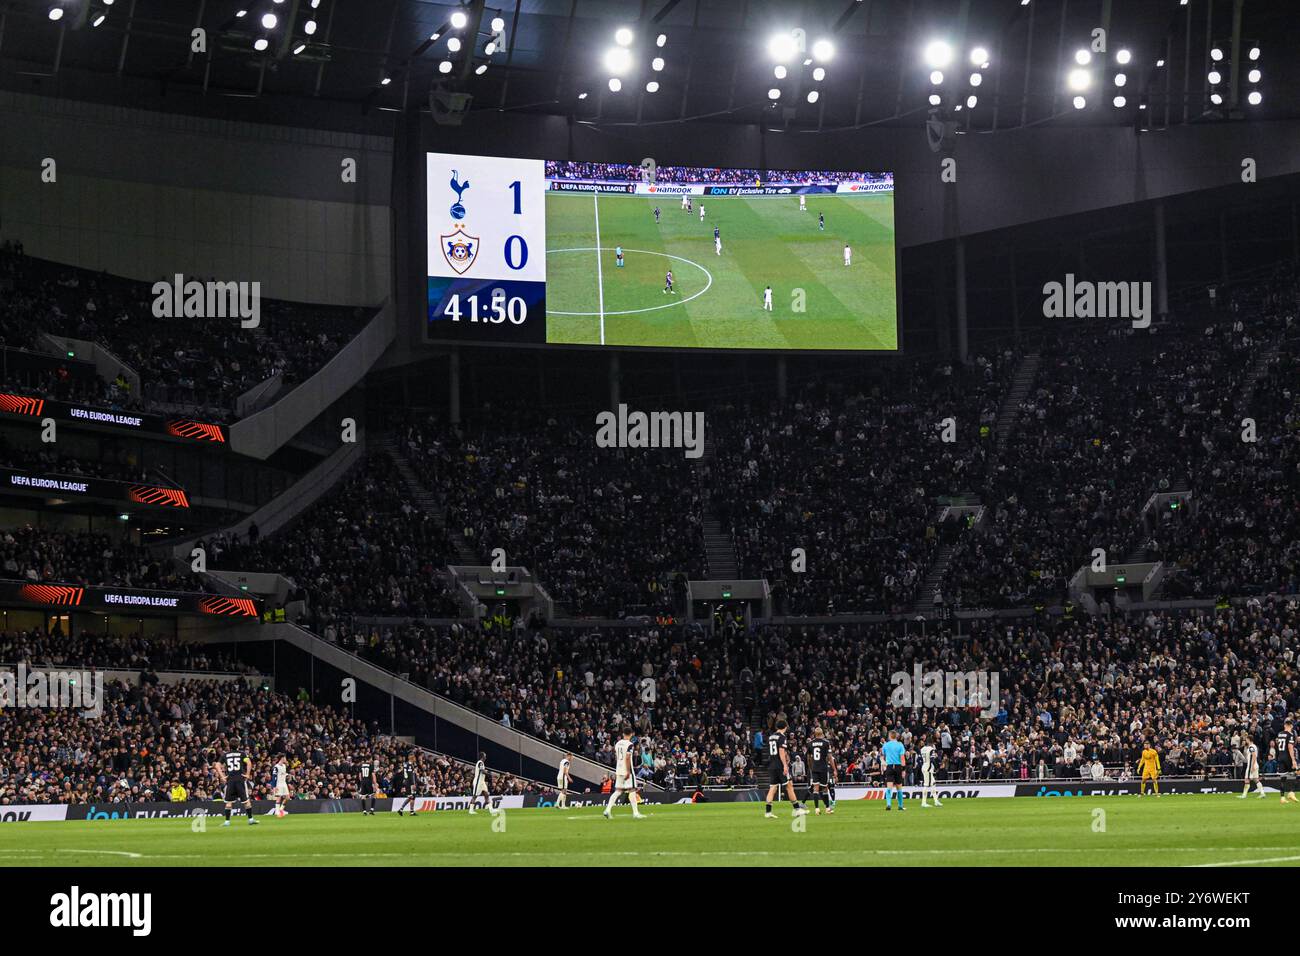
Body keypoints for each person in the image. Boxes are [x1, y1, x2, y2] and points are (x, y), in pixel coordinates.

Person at [763, 718, 807, 819]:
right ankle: (797, 809)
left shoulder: (771, 737)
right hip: (779, 765)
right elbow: (781, 752)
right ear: (785, 727)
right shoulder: (782, 737)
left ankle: (768, 812)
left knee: (773, 788)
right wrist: (785, 765)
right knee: (789, 786)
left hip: (772, 765)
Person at [604, 725, 645, 819]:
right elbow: (627, 758)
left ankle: (607, 810)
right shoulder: (630, 744)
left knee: (618, 791)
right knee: (632, 790)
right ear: (631, 734)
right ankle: (635, 813)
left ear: (623, 734)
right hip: (627, 770)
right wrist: (628, 771)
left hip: (618, 769)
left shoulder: (618, 743)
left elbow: (617, 756)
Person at [216, 742, 258, 827]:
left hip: (230, 780)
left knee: (228, 802)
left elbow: (217, 765)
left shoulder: (225, 755)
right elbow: (249, 763)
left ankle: (227, 822)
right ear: (238, 746)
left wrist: (222, 776)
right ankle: (250, 819)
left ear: (229, 746)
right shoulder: (242, 754)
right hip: (240, 780)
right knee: (246, 801)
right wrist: (247, 774)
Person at [807, 726, 835, 815]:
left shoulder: (810, 743)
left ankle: (817, 809)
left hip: (814, 768)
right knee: (825, 788)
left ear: (815, 734)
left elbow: (808, 758)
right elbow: (830, 757)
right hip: (823, 768)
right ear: (822, 733)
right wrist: (834, 769)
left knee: (815, 788)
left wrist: (811, 767)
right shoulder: (826, 742)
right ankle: (827, 808)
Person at [882, 731, 906, 811]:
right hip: (898, 766)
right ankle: (900, 806)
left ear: (890, 736)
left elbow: (883, 757)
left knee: (889, 787)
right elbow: (902, 758)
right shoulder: (900, 745)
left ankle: (888, 804)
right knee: (899, 787)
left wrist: (884, 763)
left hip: (889, 766)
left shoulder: (886, 745)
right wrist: (903, 769)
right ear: (896, 736)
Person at [1275, 721, 1297, 805]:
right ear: (1290, 725)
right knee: (1298, 773)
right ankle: (1291, 792)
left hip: (1280, 757)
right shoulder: (1290, 734)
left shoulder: (1280, 734)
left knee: (1283, 778)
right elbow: (1290, 747)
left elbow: (1278, 744)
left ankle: (1282, 797)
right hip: (1287, 758)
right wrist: (1293, 760)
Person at [919, 734, 941, 808]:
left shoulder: (922, 749)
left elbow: (920, 759)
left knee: (933, 783)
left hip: (924, 766)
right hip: (928, 767)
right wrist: (937, 766)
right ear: (932, 743)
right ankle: (923, 802)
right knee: (926, 785)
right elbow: (932, 760)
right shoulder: (931, 749)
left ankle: (936, 801)